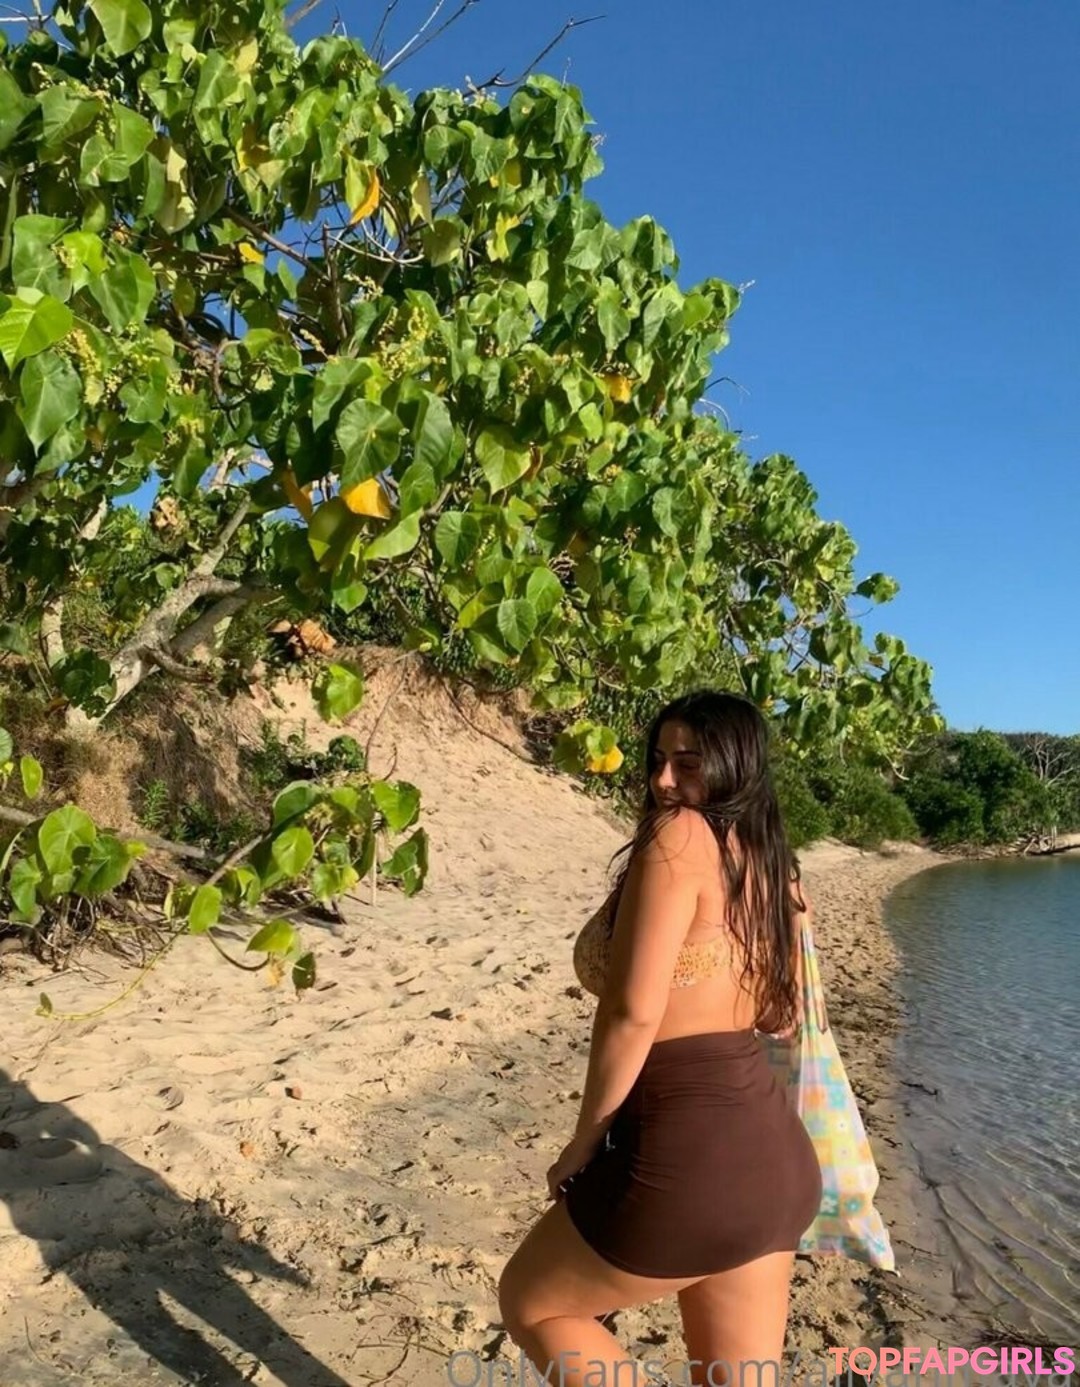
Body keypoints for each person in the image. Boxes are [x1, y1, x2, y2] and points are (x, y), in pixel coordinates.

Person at [498, 689, 823, 1387]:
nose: (664, 780)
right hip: (776, 1164)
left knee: (534, 1302)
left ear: (735, 765)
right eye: (657, 760)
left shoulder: (678, 835)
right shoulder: (770, 860)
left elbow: (632, 1014)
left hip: (688, 1157)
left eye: (689, 763)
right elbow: (780, 1014)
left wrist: (584, 1140)